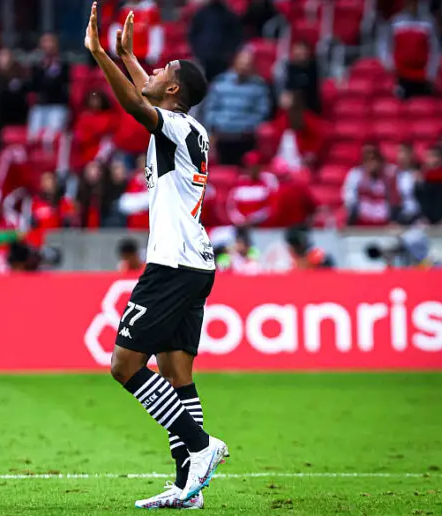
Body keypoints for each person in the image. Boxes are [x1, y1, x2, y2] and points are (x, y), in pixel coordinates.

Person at [85, 4, 227, 509]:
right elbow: (151, 93)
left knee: (124, 365)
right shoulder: (188, 128)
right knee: (176, 374)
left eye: (163, 69)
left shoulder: (175, 127)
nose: (156, 70)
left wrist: (102, 55)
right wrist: (128, 55)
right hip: (194, 264)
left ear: (173, 92)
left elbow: (135, 104)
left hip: (173, 264)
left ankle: (200, 445)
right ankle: (190, 486)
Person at [203, 48, 271, 165]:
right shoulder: (220, 83)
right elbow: (210, 109)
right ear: (234, 62)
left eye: (247, 64)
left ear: (252, 66)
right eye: (242, 63)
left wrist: (247, 127)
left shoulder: (259, 86)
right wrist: (217, 125)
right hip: (222, 136)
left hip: (246, 136)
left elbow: (261, 113)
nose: (244, 67)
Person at [379, 0, 440, 99]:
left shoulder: (428, 22)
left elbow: (435, 50)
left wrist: (431, 72)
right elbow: (385, 44)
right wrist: (388, 63)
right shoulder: (395, 22)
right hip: (401, 75)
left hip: (422, 76)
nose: (412, 5)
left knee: (421, 107)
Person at [28, 33, 71, 150]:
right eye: (45, 42)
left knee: (52, 138)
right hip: (40, 106)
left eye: (50, 42)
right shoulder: (37, 66)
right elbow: (35, 86)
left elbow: (60, 85)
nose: (48, 46)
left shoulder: (63, 65)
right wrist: (43, 69)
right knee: (33, 138)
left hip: (58, 106)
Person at [344, 143, 401, 226]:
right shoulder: (356, 175)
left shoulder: (388, 176)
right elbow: (349, 200)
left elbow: (395, 200)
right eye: (369, 160)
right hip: (362, 223)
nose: (372, 163)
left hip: (383, 223)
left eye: (375, 159)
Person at [189, 0, 243, 81]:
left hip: (222, 59)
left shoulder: (229, 15)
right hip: (203, 57)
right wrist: (197, 52)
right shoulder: (201, 14)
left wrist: (228, 54)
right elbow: (193, 34)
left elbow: (236, 36)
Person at [225, 150, 279, 227]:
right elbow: (231, 206)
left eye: (255, 166)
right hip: (241, 226)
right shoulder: (238, 181)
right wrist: (239, 220)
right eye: (249, 166)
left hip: (263, 226)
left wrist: (254, 219)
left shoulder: (268, 180)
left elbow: (272, 206)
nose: (252, 169)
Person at [108, 1, 163, 66]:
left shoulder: (151, 10)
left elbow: (156, 32)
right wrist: (116, 49)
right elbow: (116, 30)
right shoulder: (123, 10)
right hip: (127, 54)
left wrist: (154, 52)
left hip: (145, 55)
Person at [416, 143, 442, 224]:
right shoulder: (421, 178)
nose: (429, 160)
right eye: (427, 157)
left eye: (432, 156)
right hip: (427, 219)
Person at [282, 40, 321, 114]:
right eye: (298, 50)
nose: (301, 53)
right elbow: (287, 88)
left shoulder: (313, 67)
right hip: (294, 107)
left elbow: (313, 90)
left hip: (310, 107)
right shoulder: (290, 67)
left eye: (303, 50)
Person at [0, 48, 29, 127]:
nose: (2, 59)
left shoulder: (19, 77)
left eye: (5, 56)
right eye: (0, 57)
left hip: (15, 119)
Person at [395, 143, 421, 224]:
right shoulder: (394, 174)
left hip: (418, 216)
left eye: (406, 153)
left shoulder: (419, 174)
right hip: (399, 215)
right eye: (400, 152)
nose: (402, 156)